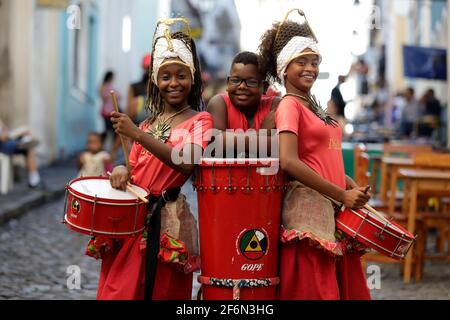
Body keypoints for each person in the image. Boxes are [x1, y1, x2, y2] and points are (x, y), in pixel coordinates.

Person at [87, 18, 213, 300]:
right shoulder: (147, 124)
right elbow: (132, 169)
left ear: (192, 77)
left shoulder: (200, 121)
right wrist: (120, 169)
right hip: (130, 221)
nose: (174, 83)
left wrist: (137, 134)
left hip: (165, 220)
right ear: (156, 80)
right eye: (166, 76)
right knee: (119, 291)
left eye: (181, 75)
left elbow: (186, 161)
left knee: (160, 290)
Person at [258, 10, 371, 300]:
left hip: (332, 209)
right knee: (315, 292)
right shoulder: (289, 106)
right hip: (308, 214)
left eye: (315, 61)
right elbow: (290, 161)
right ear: (285, 67)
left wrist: (350, 185)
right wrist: (341, 193)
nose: (310, 68)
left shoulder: (314, 107)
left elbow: (323, 159)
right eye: (301, 61)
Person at [207, 51, 280, 157]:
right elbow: (216, 144)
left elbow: (281, 146)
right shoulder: (219, 103)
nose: (242, 86)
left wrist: (231, 141)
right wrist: (262, 133)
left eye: (251, 82)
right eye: (235, 80)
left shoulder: (275, 105)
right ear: (228, 83)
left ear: (264, 87)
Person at [0, 118, 42, 189]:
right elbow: (2, 137)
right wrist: (15, 133)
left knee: (29, 147)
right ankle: (34, 181)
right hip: (2, 145)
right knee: (27, 144)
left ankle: (34, 180)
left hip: (7, 141)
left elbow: (5, 130)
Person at [99, 71, 122, 164]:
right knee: (110, 131)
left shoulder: (106, 86)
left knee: (111, 131)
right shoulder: (106, 86)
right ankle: (108, 150)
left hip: (109, 111)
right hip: (108, 111)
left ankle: (110, 150)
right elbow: (104, 96)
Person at [127, 54, 151, 125]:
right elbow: (130, 111)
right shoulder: (134, 87)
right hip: (138, 124)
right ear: (143, 67)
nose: (149, 70)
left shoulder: (159, 87)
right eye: (148, 67)